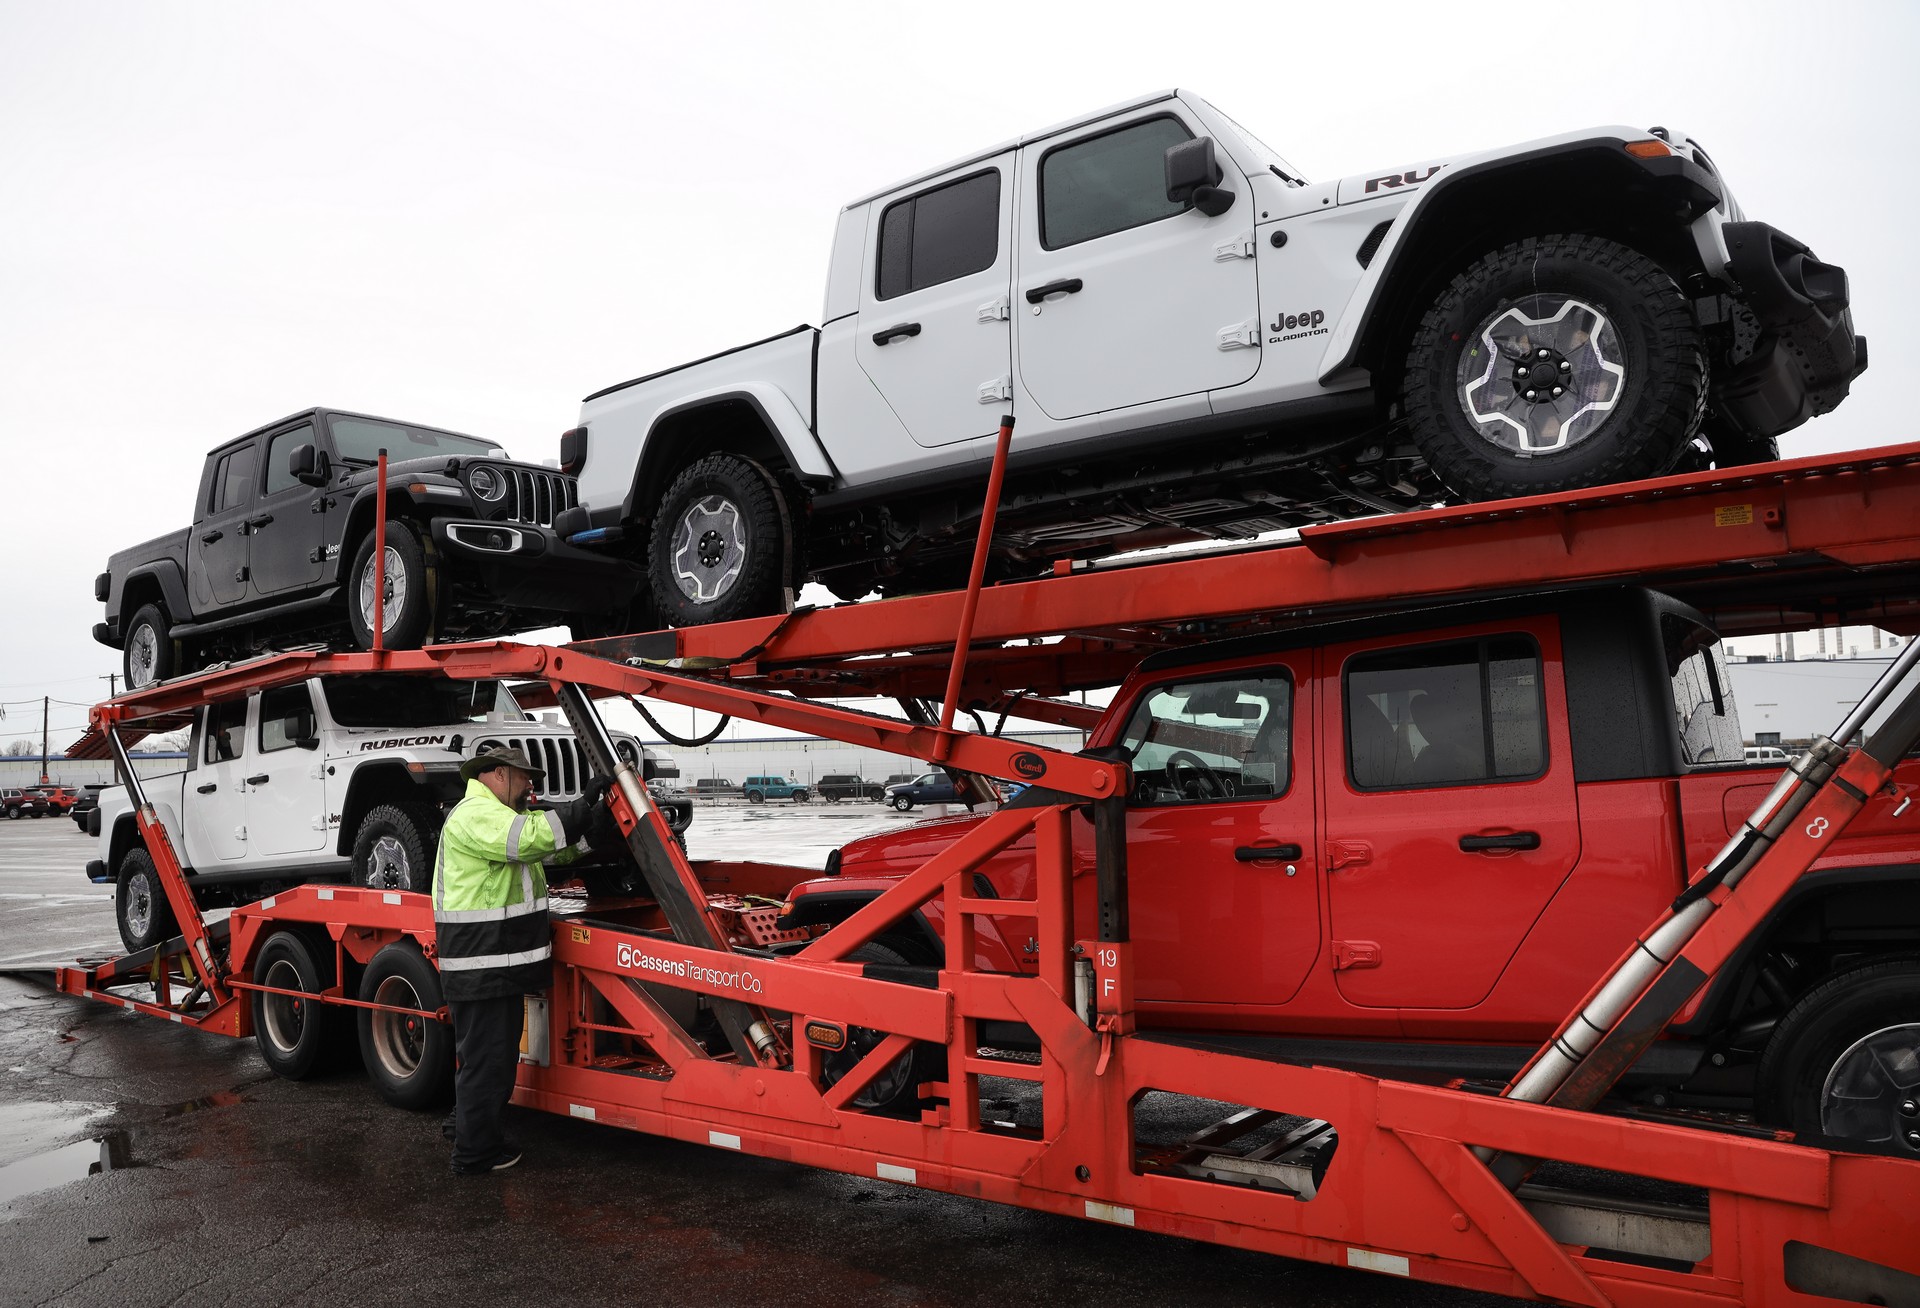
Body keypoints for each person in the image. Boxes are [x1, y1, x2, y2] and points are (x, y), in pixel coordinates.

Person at [433, 745, 612, 1175]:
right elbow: (531, 837)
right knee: (489, 1061)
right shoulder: (478, 813)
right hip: (485, 963)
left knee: (482, 1057)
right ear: (497, 775)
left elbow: (548, 852)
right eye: (523, 776)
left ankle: (464, 1127)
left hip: (490, 963)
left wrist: (590, 831)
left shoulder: (492, 819)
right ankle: (474, 1155)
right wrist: (581, 806)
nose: (531, 785)